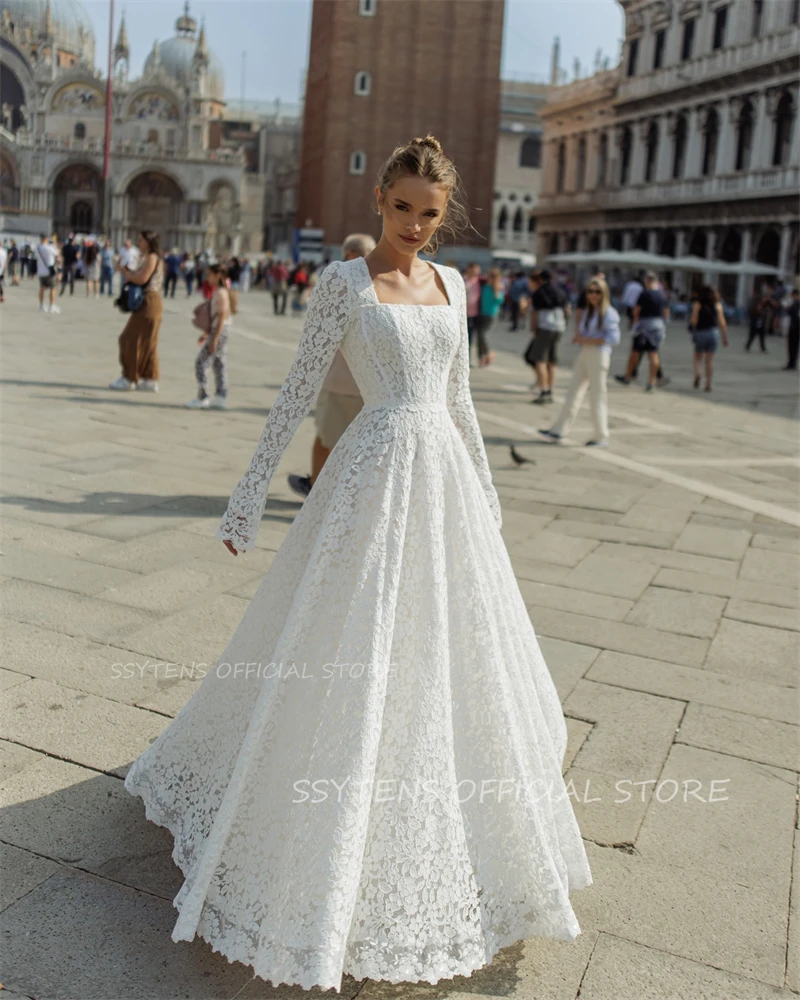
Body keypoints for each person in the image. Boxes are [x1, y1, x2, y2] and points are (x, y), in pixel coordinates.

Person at [124, 134, 591, 993]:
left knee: (448, 651)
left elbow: (460, 404)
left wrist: (486, 496)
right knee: (347, 642)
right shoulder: (343, 283)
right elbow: (300, 391)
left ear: (445, 218)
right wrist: (248, 494)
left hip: (442, 479)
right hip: (369, 474)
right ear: (380, 200)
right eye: (404, 207)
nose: (415, 225)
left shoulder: (454, 283)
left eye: (430, 214)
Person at [287, 233, 375, 499]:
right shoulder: (384, 283)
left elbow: (318, 335)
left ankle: (317, 490)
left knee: (326, 440)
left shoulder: (340, 282)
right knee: (362, 446)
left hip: (340, 380)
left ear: (349, 254)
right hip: (372, 385)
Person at [539, 276, 620, 446]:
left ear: (604, 293)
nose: (593, 295)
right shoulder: (589, 312)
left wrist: (587, 339)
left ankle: (601, 434)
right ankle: (559, 429)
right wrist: (581, 338)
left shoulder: (608, 313)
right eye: (590, 291)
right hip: (586, 353)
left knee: (597, 395)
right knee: (573, 391)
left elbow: (613, 338)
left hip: (599, 355)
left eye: (597, 292)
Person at [109, 230, 163, 392]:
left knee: (129, 338)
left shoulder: (152, 258)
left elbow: (142, 279)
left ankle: (130, 377)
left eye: (140, 240)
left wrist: (123, 271)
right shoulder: (148, 258)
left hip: (149, 301)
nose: (138, 242)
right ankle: (149, 379)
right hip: (151, 301)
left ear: (148, 242)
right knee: (148, 341)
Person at [185, 262, 232, 410]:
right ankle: (220, 396)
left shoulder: (221, 292)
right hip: (221, 330)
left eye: (210, 274)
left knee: (201, 362)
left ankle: (203, 395)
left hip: (220, 330)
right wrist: (207, 334)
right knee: (219, 363)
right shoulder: (220, 291)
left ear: (218, 276)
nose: (207, 277)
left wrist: (214, 338)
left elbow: (222, 315)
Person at [616, 271, 670, 392]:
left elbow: (636, 311)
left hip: (644, 326)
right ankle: (652, 381)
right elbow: (667, 312)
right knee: (653, 353)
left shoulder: (644, 294)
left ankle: (628, 376)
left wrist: (635, 324)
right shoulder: (662, 295)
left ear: (647, 281)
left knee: (635, 352)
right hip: (658, 326)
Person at [527, 268, 570, 405]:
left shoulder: (539, 293)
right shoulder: (560, 291)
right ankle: (550, 389)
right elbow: (567, 310)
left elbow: (534, 314)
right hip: (559, 327)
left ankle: (543, 390)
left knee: (540, 360)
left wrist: (534, 329)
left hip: (545, 328)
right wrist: (564, 324)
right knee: (552, 361)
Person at [690, 285, 728, 392]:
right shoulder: (718, 305)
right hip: (713, 332)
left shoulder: (697, 304)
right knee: (710, 360)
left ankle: (698, 374)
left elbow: (694, 321)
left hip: (700, 332)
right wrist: (724, 337)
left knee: (697, 357)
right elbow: (722, 323)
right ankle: (708, 384)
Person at [475, 266, 505, 366]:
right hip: (480, 313)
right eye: (489, 275)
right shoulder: (484, 285)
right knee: (479, 336)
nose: (490, 277)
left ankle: (488, 353)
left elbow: (500, 300)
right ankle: (481, 357)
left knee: (484, 335)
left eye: (493, 276)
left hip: (491, 314)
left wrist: (496, 291)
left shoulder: (497, 287)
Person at [35, 234, 59, 314]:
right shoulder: (50, 248)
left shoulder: (38, 248)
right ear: (46, 239)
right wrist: (55, 244)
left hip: (41, 270)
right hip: (50, 270)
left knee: (42, 287)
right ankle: (51, 306)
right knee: (53, 288)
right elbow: (57, 254)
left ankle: (41, 305)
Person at [463, 261, 481, 360]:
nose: (475, 272)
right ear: (468, 269)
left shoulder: (480, 281)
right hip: (462, 313)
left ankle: (467, 358)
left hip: (474, 314)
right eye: (473, 270)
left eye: (477, 270)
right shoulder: (462, 280)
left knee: (470, 337)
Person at [784, 287, 800, 371]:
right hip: (797, 327)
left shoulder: (796, 303)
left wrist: (787, 308)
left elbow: (791, 312)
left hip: (794, 327)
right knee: (795, 347)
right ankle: (792, 363)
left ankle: (791, 363)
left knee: (792, 347)